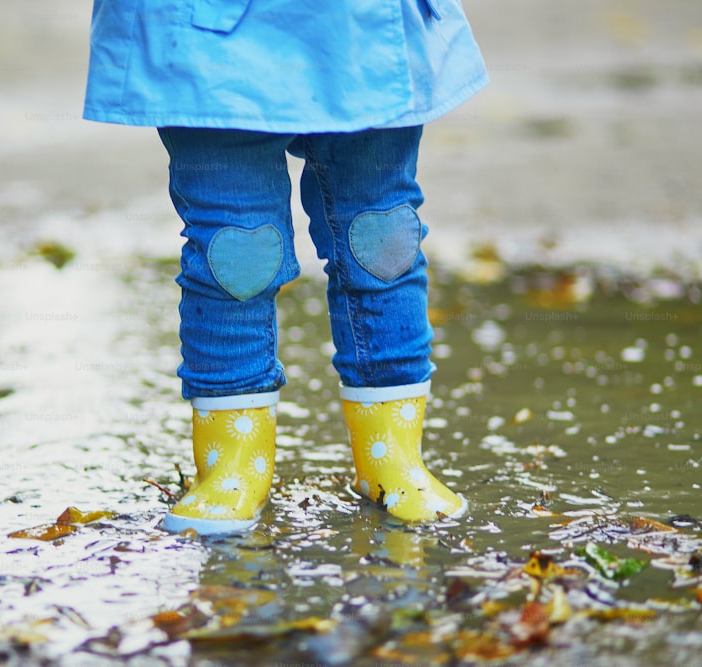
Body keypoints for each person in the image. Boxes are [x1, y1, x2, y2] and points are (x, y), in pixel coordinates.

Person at [83, 0, 488, 535]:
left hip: (360, 28)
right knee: (236, 251)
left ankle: (393, 457)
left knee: (382, 236)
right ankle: (233, 467)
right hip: (207, 37)